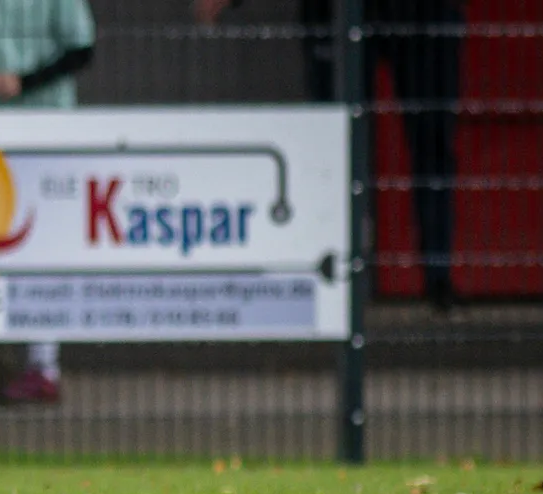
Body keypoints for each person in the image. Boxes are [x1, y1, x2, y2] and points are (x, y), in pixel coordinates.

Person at [196, 0, 463, 310]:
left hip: (422, 16)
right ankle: (333, 281)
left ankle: (439, 277)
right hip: (334, 13)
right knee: (333, 148)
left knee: (432, 141)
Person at [0, 0, 95, 403]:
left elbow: (82, 48)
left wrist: (23, 82)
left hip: (47, 127)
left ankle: (43, 365)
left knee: (43, 246)